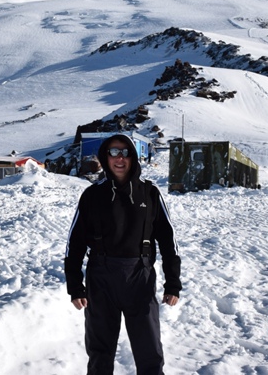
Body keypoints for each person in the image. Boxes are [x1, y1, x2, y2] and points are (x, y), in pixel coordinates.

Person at [64, 134, 182, 375]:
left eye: (125, 152)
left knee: (149, 351)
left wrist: (173, 283)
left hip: (140, 276)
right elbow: (74, 244)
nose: (120, 158)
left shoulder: (150, 193)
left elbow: (169, 241)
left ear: (133, 157)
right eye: (114, 152)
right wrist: (75, 286)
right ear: (105, 157)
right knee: (100, 352)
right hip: (101, 279)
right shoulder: (92, 195)